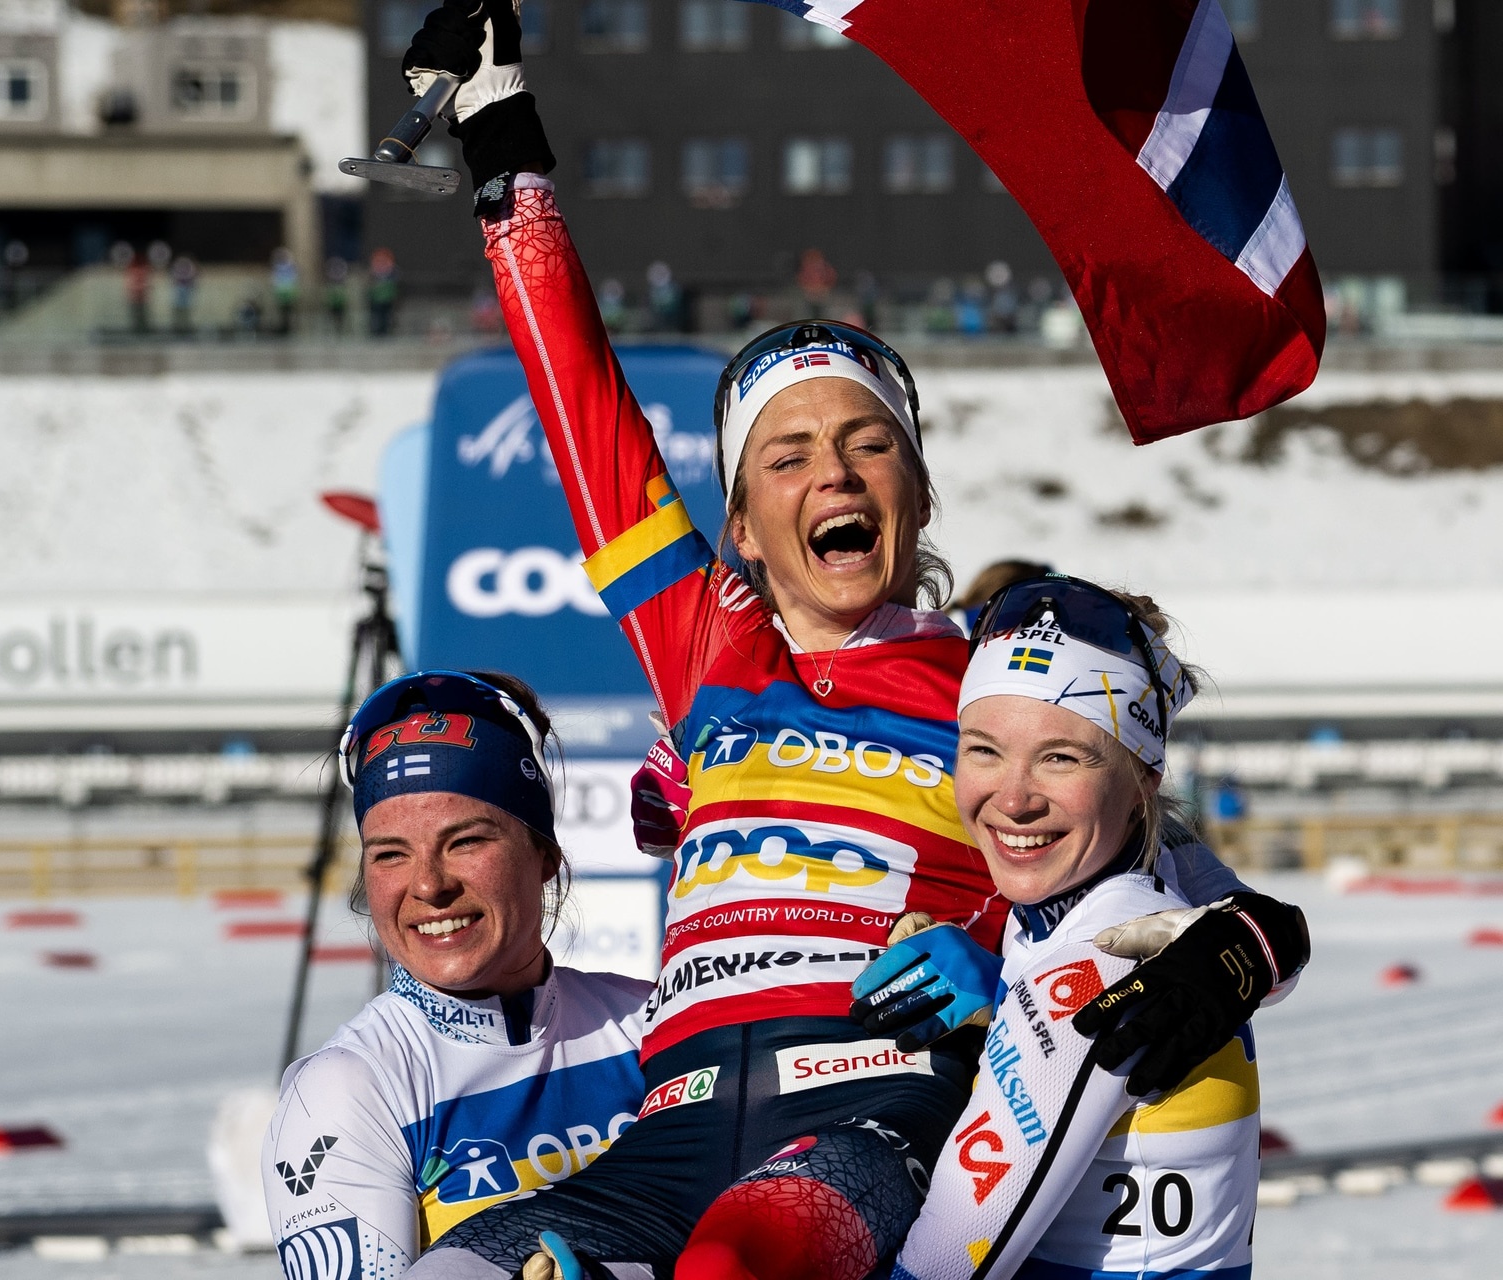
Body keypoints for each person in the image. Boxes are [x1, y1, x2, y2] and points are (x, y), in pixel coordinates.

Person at [391, 5, 1307, 1280]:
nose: (836, 471)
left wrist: (1170, 955)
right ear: (746, 526)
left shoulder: (994, 675)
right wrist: (505, 156)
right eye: (790, 453)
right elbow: (582, 408)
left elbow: (1204, 897)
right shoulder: (704, 635)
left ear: (918, 495)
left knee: (737, 1268)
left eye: (870, 443)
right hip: (668, 1131)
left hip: (864, 1125)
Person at [847, 576, 1286, 1280]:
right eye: (983, 750)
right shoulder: (1152, 879)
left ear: (1143, 775)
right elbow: (1259, 932)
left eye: (1061, 758)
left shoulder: (1101, 964)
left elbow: (943, 1268)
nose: (1013, 799)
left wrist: (1024, 1014)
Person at [262, 671, 650, 1280]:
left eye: (465, 841)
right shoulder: (350, 1087)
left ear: (543, 852)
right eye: (390, 854)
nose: (428, 885)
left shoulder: (652, 1022)